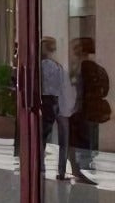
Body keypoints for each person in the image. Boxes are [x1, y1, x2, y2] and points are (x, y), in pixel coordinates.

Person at [41, 36, 89, 183]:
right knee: (63, 140)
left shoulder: (41, 66)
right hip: (57, 102)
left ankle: (41, 168)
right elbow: (63, 88)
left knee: (43, 138)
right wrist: (66, 109)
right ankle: (61, 171)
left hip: (46, 102)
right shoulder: (57, 67)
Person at [71, 36, 109, 173]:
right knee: (90, 140)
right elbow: (105, 89)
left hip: (82, 111)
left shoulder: (80, 68)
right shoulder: (98, 68)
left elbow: (76, 92)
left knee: (82, 141)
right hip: (93, 111)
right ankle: (87, 166)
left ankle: (83, 168)